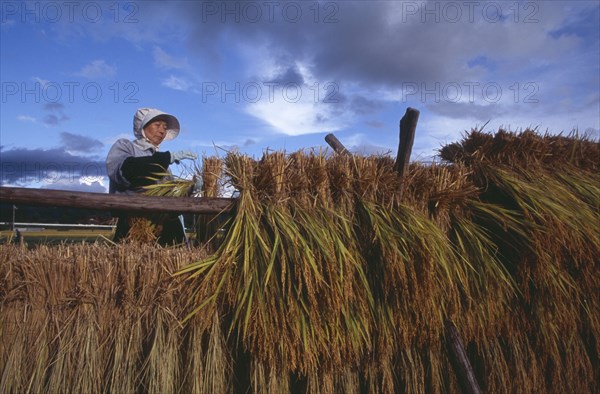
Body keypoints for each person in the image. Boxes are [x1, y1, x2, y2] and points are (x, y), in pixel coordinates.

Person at [106, 108, 197, 244]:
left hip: (167, 231)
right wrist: (166, 158)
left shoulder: (165, 166)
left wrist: (191, 188)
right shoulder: (126, 147)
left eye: (165, 127)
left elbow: (172, 200)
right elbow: (125, 171)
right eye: (157, 125)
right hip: (134, 226)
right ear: (143, 127)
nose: (162, 131)